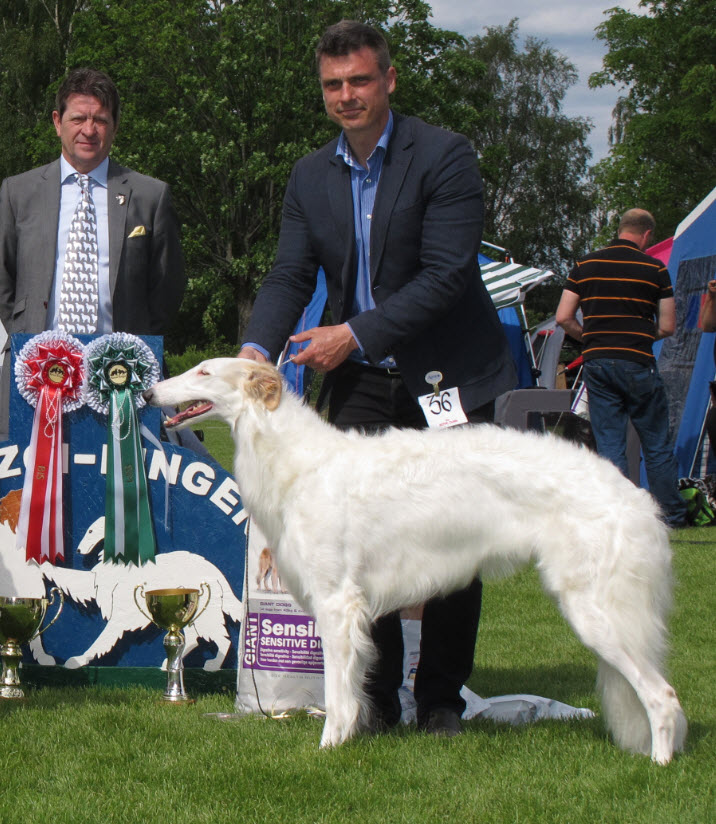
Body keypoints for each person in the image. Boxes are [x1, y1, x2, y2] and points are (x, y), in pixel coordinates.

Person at [239, 20, 517, 736]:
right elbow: (290, 273)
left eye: (360, 81)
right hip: (361, 380)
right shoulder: (309, 174)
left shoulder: (446, 156)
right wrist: (254, 350)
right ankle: (380, 696)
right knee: (364, 540)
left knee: (455, 538)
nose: (346, 96)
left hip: (448, 373)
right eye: (333, 85)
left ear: (389, 79)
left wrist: (354, 331)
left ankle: (442, 700)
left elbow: (447, 274)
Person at [0, 67, 185, 437]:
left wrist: (134, 343)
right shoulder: (16, 193)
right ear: (57, 122)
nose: (89, 129)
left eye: (100, 119)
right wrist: (27, 336)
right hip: (34, 379)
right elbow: (3, 281)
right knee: (25, 493)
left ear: (114, 125)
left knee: (121, 491)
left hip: (122, 380)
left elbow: (167, 289)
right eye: (78, 118)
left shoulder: (150, 196)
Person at [556, 208, 687, 527]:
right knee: (655, 443)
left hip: (599, 363)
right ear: (647, 235)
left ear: (621, 229)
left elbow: (562, 317)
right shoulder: (655, 268)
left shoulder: (584, 265)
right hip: (639, 362)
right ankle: (671, 514)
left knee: (610, 442)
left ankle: (618, 513)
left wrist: (591, 338)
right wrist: (641, 336)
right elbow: (668, 326)